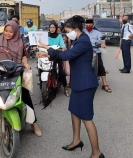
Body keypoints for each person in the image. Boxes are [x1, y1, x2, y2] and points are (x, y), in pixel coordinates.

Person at [38, 15, 104, 158]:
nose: (67, 34)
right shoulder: (78, 40)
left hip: (86, 84)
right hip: (78, 83)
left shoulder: (83, 41)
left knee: (86, 117)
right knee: (74, 111)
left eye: (68, 31)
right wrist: (48, 55)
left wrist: (46, 48)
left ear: (75, 29)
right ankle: (76, 140)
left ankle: (97, 153)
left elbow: (67, 56)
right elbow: (65, 52)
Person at [0, 21, 42, 137]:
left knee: (25, 96)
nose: (7, 33)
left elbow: (23, 56)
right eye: (6, 31)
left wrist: (26, 64)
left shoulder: (20, 42)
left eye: (10, 31)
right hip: (1, 73)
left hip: (16, 72)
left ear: (15, 32)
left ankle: (33, 123)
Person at [84, 19, 112, 93]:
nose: (88, 27)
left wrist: (103, 44)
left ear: (93, 26)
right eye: (86, 25)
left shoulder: (98, 33)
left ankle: (104, 84)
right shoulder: (83, 32)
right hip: (84, 52)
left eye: (89, 25)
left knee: (100, 66)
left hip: (95, 51)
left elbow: (102, 40)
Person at [48, 22, 69, 96]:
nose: (52, 29)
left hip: (57, 55)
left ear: (56, 28)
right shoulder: (46, 36)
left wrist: (63, 48)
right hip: (48, 56)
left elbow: (63, 46)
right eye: (51, 27)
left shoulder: (59, 36)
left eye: (53, 27)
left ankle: (65, 87)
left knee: (61, 72)